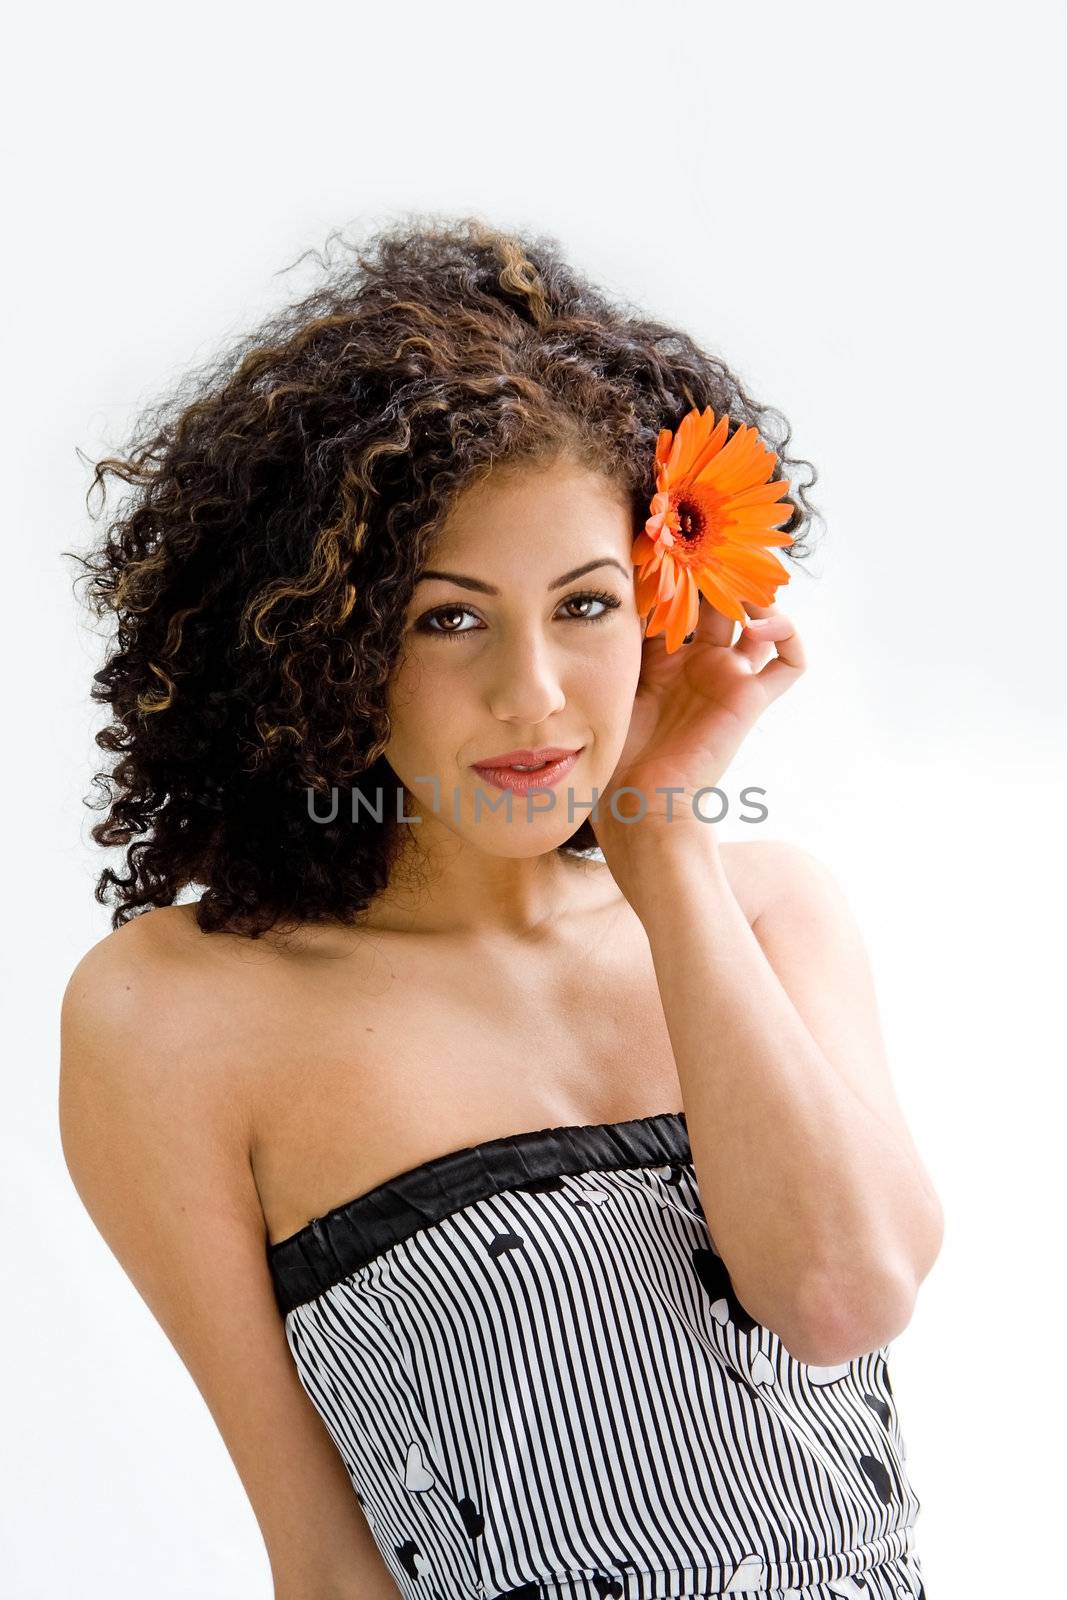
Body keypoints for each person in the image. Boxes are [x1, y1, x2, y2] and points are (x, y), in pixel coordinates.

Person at [59, 216, 941, 1600]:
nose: (532, 691)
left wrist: (661, 852)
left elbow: (842, 1294)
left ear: (661, 607)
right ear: (328, 643)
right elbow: (326, 1564)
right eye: (449, 618)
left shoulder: (764, 913)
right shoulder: (173, 1015)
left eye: (585, 606)